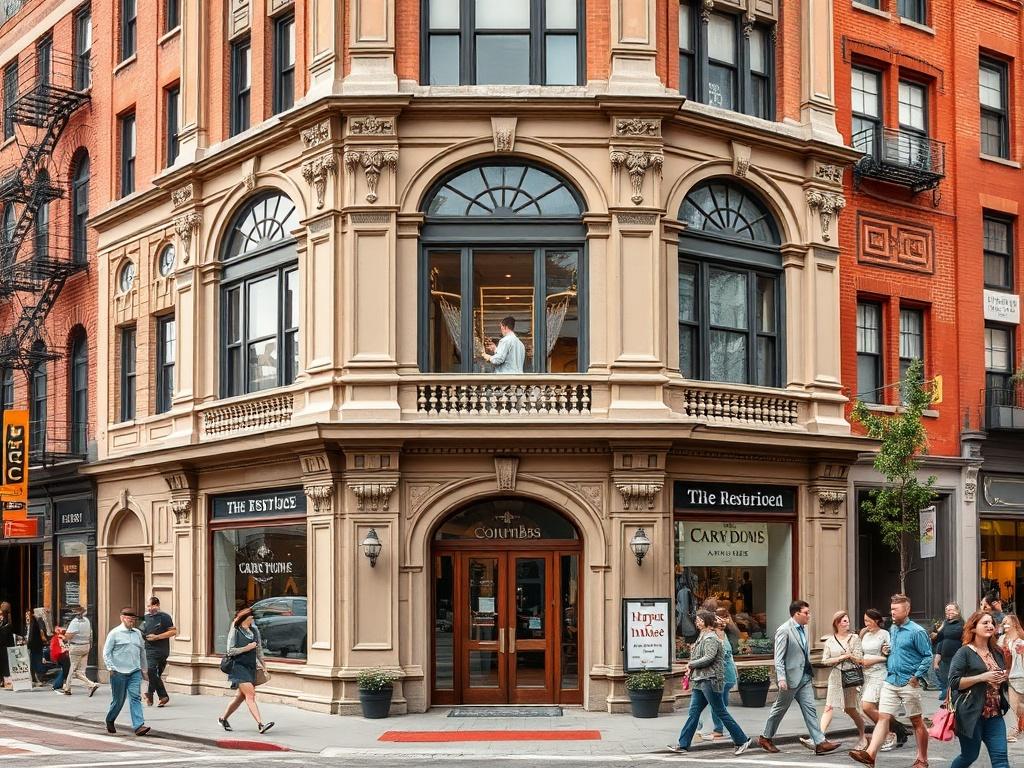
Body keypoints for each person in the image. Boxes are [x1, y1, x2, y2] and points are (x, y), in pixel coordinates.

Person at [848, 593, 932, 768]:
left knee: (917, 722)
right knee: (883, 718)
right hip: (890, 679)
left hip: (908, 681)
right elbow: (896, 650)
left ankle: (922, 759)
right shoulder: (893, 629)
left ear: (907, 609)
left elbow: (927, 657)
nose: (892, 612)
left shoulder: (917, 631)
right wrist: (888, 651)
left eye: (896, 609)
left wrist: (916, 676)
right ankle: (870, 755)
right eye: (891, 608)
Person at [758, 600, 841, 755]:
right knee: (779, 709)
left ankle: (820, 742)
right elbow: (779, 657)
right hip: (790, 680)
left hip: (804, 677)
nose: (809, 616)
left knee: (810, 709)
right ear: (796, 614)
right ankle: (765, 737)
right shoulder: (784, 630)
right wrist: (781, 678)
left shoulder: (805, 629)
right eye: (806, 613)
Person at [666, 610, 751, 755]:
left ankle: (742, 740)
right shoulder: (702, 636)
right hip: (700, 680)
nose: (697, 622)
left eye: (699, 620)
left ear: (706, 621)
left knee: (720, 712)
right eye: (697, 620)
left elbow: (709, 657)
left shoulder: (711, 637)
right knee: (693, 713)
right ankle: (683, 744)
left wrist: (691, 664)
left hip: (710, 680)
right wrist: (692, 666)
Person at [947, 611, 1010, 768]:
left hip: (994, 714)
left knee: (1001, 759)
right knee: (969, 756)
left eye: (991, 623)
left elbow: (1000, 676)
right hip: (970, 714)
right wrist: (982, 677)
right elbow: (954, 682)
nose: (990, 626)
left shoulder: (997, 651)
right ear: (973, 628)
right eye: (985, 623)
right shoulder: (964, 652)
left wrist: (1003, 677)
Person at [811, 611, 866, 749]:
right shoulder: (830, 640)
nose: (847, 623)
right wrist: (841, 658)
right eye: (844, 621)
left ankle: (863, 736)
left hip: (851, 676)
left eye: (847, 620)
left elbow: (859, 658)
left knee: (851, 709)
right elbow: (825, 660)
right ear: (837, 623)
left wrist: (850, 655)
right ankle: (819, 739)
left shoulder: (854, 638)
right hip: (835, 676)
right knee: (828, 706)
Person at [218, 607, 274, 734]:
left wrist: (264, 665)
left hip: (251, 667)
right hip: (238, 667)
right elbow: (230, 651)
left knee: (239, 697)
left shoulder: (254, 630)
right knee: (250, 695)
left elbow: (258, 649)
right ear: (245, 618)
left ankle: (223, 719)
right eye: (251, 617)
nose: (253, 619)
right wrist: (247, 648)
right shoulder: (236, 631)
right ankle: (261, 724)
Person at [102, 607, 151, 736]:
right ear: (122, 618)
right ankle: (110, 719)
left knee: (135, 697)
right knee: (119, 700)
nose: (132, 621)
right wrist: (111, 668)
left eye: (134, 619)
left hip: (134, 671)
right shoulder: (114, 633)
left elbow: (142, 652)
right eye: (129, 619)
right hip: (118, 672)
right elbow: (106, 653)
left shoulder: (137, 634)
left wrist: (144, 670)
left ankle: (139, 726)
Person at [858, 609, 898, 752]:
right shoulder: (865, 634)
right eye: (865, 621)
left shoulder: (885, 634)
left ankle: (889, 734)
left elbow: (890, 655)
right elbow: (861, 653)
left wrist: (877, 658)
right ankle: (892, 732)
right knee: (877, 709)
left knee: (867, 706)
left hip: (879, 673)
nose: (866, 623)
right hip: (866, 674)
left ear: (876, 620)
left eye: (868, 620)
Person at [701, 614, 739, 741]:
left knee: (717, 705)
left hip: (723, 676)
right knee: (719, 704)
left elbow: (723, 656)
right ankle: (707, 726)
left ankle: (719, 730)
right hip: (726, 676)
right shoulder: (721, 635)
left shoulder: (719, 636)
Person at [140, 596, 177, 707]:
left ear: (157, 605)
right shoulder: (144, 618)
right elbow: (140, 631)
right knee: (151, 671)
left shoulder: (164, 617)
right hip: (148, 649)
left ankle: (150, 694)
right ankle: (163, 696)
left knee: (155, 674)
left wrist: (158, 637)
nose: (150, 608)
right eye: (148, 606)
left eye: (152, 605)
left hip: (162, 650)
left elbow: (173, 631)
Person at [997, 613, 1024, 742]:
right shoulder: (1001, 639)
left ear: (1014, 623)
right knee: (1014, 704)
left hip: (1018, 675)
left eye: (1007, 622)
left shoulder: (1021, 639)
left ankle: (1015, 729)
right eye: (1003, 622)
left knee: (1018, 705)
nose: (1004, 624)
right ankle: (1013, 730)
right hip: (1006, 675)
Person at [64, 604, 99, 696]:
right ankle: (67, 688)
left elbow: (68, 636)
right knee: (80, 670)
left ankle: (91, 684)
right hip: (86, 647)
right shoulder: (87, 620)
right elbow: (91, 634)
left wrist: (64, 635)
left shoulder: (75, 622)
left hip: (76, 647)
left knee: (74, 669)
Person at [933, 603, 964, 702]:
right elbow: (940, 640)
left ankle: (954, 702)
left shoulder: (962, 624)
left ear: (957, 611)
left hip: (957, 658)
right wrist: (937, 656)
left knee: (954, 681)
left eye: (951, 609)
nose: (948, 612)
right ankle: (947, 701)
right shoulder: (945, 623)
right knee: (945, 679)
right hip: (945, 659)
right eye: (947, 610)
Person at [24, 608, 48, 686]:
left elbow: (33, 635)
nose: (27, 616)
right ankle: (34, 679)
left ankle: (39, 679)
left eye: (28, 614)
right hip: (33, 646)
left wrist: (28, 644)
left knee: (37, 661)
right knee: (33, 662)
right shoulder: (30, 623)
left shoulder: (36, 621)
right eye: (26, 614)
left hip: (35, 646)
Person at [50, 626, 71, 694]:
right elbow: (62, 648)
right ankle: (58, 685)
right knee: (65, 670)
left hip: (60, 656)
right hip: (62, 656)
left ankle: (57, 684)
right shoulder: (59, 638)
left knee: (64, 670)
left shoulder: (55, 638)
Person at [0, 601, 13, 688]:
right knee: (4, 664)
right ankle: (4, 681)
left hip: (4, 647)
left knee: (4, 664)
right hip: (4, 647)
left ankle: (4, 681)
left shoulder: (6, 621)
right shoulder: (6, 621)